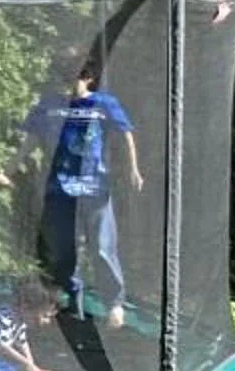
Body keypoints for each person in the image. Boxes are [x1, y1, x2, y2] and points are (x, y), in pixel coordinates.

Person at [17, 46, 143, 329]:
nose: (71, 84)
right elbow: (30, 141)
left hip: (94, 190)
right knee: (63, 250)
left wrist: (133, 169)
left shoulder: (103, 104)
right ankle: (72, 301)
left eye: (76, 77)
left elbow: (126, 135)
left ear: (88, 78)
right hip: (60, 191)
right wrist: (9, 169)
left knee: (101, 247)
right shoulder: (49, 105)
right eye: (67, 77)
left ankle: (115, 302)